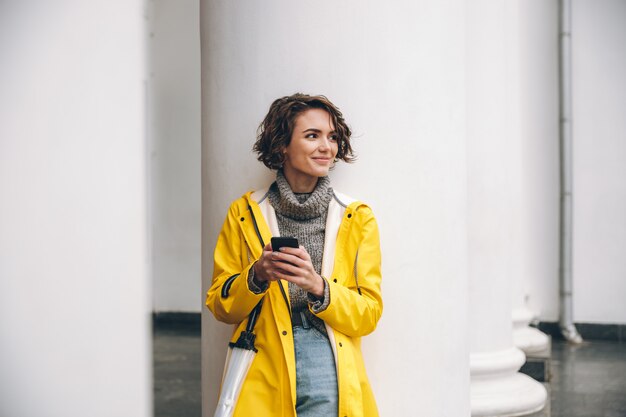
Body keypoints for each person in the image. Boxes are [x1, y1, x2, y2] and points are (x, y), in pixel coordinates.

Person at [206, 93, 383, 417]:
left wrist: (318, 286)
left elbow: (368, 313)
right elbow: (220, 305)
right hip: (263, 356)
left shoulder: (357, 217)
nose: (326, 147)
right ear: (282, 144)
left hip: (325, 357)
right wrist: (257, 275)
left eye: (332, 137)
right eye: (312, 135)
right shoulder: (245, 213)